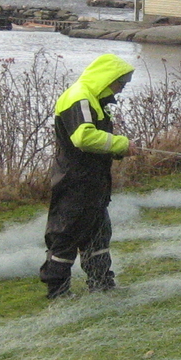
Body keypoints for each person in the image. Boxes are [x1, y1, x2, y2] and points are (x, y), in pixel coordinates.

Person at [39, 53, 134, 299]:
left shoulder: (94, 99)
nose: (122, 88)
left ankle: (101, 284)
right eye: (121, 82)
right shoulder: (80, 96)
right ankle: (58, 291)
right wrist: (121, 144)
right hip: (75, 182)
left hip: (94, 180)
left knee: (98, 235)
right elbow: (83, 137)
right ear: (108, 78)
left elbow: (96, 142)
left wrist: (117, 150)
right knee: (66, 236)